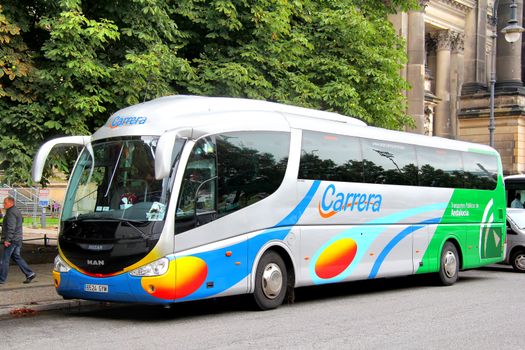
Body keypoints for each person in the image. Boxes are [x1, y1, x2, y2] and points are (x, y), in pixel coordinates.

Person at [0, 196, 36, 284]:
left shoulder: (11, 212)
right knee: (16, 257)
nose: (4, 205)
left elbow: (11, 227)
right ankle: (30, 273)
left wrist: (7, 240)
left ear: (10, 203)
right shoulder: (15, 210)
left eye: (5, 203)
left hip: (12, 240)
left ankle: (1, 279)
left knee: (5, 259)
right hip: (17, 239)